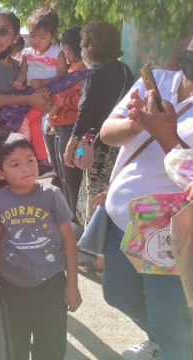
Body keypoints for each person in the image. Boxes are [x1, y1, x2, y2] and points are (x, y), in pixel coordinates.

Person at [99, 9, 193, 360]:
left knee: (170, 319)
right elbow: (108, 132)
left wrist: (165, 133)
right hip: (121, 217)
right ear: (188, 43)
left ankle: (171, 347)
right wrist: (136, 123)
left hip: (168, 228)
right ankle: (162, 341)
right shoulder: (158, 80)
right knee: (117, 295)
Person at [0, 11, 54, 263]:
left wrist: (44, 102)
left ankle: (7, 262)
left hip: (13, 151)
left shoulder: (20, 69)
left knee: (10, 209)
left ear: (15, 37)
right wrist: (27, 98)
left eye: (3, 31)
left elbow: (36, 100)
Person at [0, 132, 81, 360]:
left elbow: (69, 241)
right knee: (15, 345)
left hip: (50, 284)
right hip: (12, 287)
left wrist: (72, 285)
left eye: (30, 160)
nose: (26, 168)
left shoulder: (52, 195)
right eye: (15, 164)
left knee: (50, 347)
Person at [63, 21, 133, 278]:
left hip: (94, 146)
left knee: (95, 196)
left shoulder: (93, 73)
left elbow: (85, 113)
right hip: (120, 145)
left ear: (91, 46)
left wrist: (71, 144)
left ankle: (101, 263)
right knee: (110, 194)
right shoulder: (126, 71)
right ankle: (109, 255)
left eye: (83, 44)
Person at [14, 6, 68, 178]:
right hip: (30, 94)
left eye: (42, 37)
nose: (35, 40)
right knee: (34, 126)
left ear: (52, 36)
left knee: (24, 121)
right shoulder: (27, 53)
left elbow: (63, 78)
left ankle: (22, 155)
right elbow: (23, 71)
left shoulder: (57, 53)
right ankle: (44, 162)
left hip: (47, 95)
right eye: (32, 35)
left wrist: (44, 82)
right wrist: (19, 82)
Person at [45, 27, 85, 222]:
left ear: (68, 47)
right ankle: (69, 212)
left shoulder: (82, 69)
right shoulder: (72, 69)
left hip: (71, 129)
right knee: (63, 171)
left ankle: (75, 216)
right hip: (61, 127)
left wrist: (61, 103)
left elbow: (81, 99)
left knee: (70, 172)